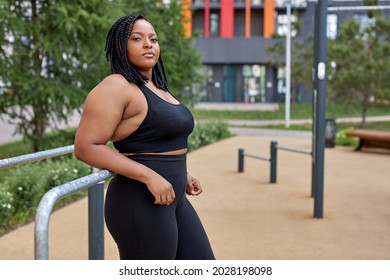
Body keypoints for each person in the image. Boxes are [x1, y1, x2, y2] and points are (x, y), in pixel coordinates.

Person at [74, 14, 215, 260]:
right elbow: (86, 147)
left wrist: (182, 174)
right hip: (139, 202)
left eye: (153, 39)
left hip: (174, 197)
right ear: (121, 45)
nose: (148, 44)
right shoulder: (116, 86)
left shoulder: (157, 87)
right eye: (137, 38)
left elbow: (154, 142)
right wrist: (150, 175)